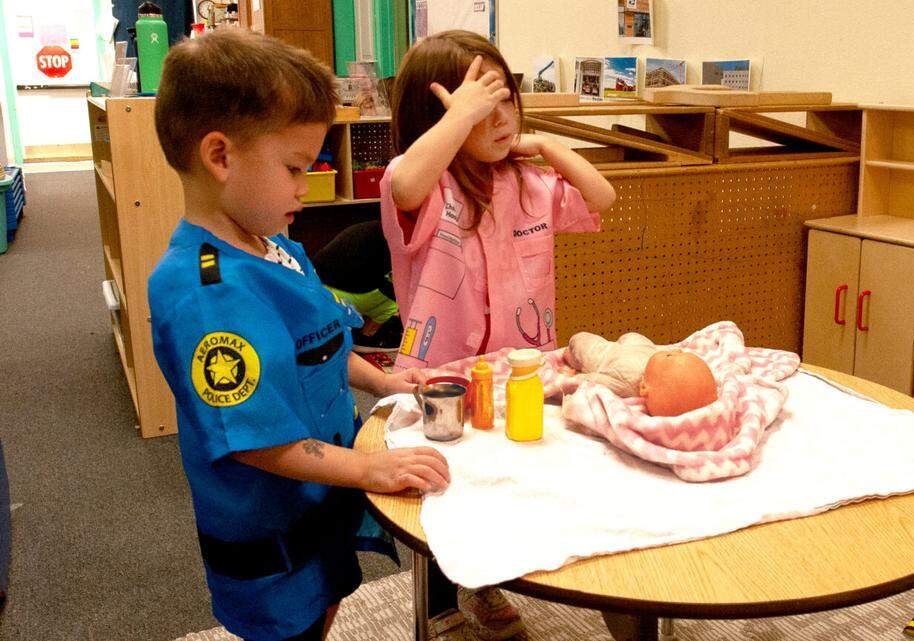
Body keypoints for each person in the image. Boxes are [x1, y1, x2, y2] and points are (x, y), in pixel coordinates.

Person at [147, 30, 450, 641]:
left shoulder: (275, 247)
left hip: (320, 502)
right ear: (220, 156)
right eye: (293, 168)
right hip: (271, 541)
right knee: (295, 628)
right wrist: (373, 470)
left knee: (328, 604)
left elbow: (322, 343)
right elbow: (255, 441)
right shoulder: (208, 297)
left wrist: (383, 379)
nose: (305, 186)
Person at [379, 30, 616, 640]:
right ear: (441, 116)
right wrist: (462, 118)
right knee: (441, 488)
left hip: (521, 368)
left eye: (507, 98)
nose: (501, 117)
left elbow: (601, 195)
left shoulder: (527, 182)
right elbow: (403, 184)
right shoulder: (424, 185)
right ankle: (438, 605)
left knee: (510, 480)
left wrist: (546, 145)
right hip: (440, 375)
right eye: (481, 105)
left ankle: (485, 586)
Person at [311, 221, 404, 363]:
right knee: (394, 298)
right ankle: (367, 336)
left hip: (317, 283)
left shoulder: (386, 225)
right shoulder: (404, 241)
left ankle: (358, 324)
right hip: (340, 293)